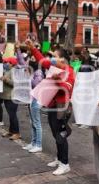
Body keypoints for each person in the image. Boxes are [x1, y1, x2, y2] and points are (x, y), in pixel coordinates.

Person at [27, 40, 75, 176]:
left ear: (63, 59)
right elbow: (42, 60)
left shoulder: (69, 71)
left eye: (55, 56)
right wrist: (32, 47)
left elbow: (67, 88)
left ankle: (65, 164)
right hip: (52, 105)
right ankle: (59, 159)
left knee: (60, 135)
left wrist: (56, 80)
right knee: (55, 133)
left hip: (62, 108)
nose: (52, 58)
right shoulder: (55, 68)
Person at [0, 57, 21, 140]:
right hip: (6, 96)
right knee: (10, 115)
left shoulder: (15, 72)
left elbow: (16, 84)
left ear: (12, 63)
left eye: (7, 62)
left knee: (13, 115)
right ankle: (11, 131)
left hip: (12, 97)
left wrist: (5, 79)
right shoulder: (8, 71)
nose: (5, 63)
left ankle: (17, 133)